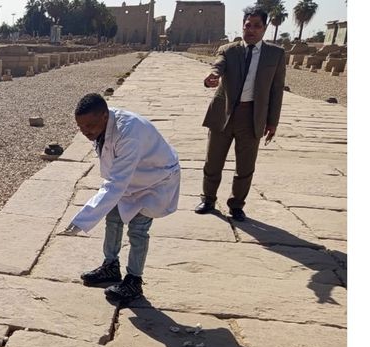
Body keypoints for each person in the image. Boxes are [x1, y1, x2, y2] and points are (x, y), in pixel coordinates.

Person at [62, 93, 180, 302]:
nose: (86, 132)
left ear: (104, 116)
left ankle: (134, 280)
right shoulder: (103, 126)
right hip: (131, 178)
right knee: (113, 218)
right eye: (81, 127)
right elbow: (115, 174)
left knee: (138, 229)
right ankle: (110, 267)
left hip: (155, 180)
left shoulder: (128, 132)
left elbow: (116, 183)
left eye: (90, 126)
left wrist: (82, 219)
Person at [195, 5, 286, 222]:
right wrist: (212, 76)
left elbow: (276, 90)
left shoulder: (276, 54)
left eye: (256, 26)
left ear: (264, 28)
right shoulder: (228, 50)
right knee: (213, 161)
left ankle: (236, 205)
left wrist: (272, 122)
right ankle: (208, 199)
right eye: (247, 25)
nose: (251, 30)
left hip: (252, 116)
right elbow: (218, 65)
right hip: (224, 113)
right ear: (242, 26)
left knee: (245, 166)